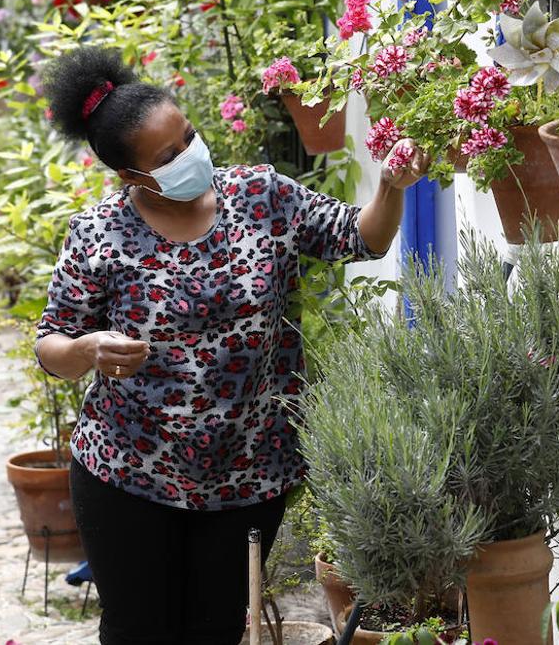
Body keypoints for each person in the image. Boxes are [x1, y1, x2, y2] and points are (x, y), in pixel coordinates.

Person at [32, 46, 423, 644]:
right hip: (128, 473)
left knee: (214, 631)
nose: (192, 156)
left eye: (190, 136)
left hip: (249, 472)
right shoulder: (99, 233)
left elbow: (360, 237)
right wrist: (88, 348)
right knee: (138, 631)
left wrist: (391, 186)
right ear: (131, 176)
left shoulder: (262, 198)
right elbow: (50, 343)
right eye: (169, 156)